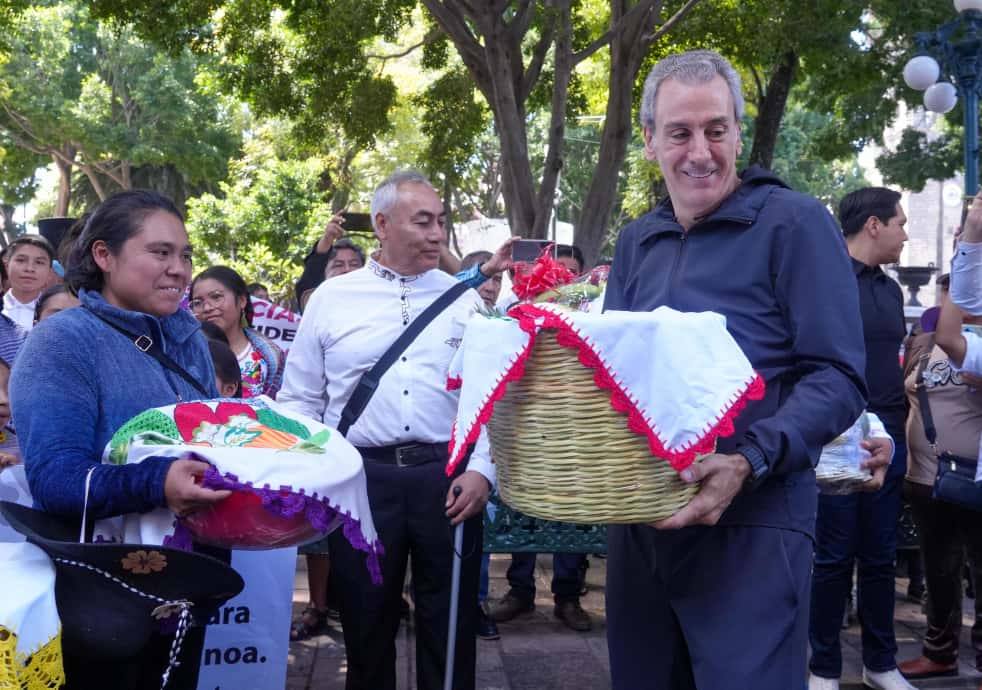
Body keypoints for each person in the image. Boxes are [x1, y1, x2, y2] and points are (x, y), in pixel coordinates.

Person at [602, 49, 867, 690]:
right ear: (649, 141)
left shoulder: (795, 222)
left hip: (754, 525)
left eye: (716, 130)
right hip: (643, 527)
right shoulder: (636, 240)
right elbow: (611, 375)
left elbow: (838, 375)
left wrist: (749, 460)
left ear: (739, 135)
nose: (700, 152)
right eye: (680, 133)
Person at [278, 170, 494, 690]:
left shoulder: (465, 299)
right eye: (423, 222)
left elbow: (491, 395)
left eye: (440, 221)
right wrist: (317, 477)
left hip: (449, 481)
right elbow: (300, 400)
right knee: (366, 622)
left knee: (451, 626)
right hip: (361, 483)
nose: (437, 234)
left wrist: (483, 470)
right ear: (382, 225)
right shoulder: (331, 298)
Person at [9, 189, 231, 689]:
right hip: (101, 599)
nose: (179, 269)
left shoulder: (189, 338)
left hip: (187, 585)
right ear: (104, 256)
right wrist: (158, 482)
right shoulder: (61, 341)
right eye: (160, 252)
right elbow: (56, 480)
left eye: (185, 255)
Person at [808, 187, 913, 690]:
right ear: (874, 224)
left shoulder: (892, 291)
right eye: (900, 223)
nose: (905, 234)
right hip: (839, 435)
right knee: (832, 557)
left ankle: (881, 664)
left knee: (880, 557)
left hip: (890, 438)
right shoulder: (824, 282)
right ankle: (823, 667)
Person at [896, 291, 982, 686]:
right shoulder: (922, 342)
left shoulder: (974, 349)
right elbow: (906, 397)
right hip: (925, 479)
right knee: (939, 571)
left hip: (974, 481)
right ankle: (939, 653)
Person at [189, 265, 286, 399]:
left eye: (216, 297)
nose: (207, 308)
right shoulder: (183, 353)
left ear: (242, 300)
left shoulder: (270, 357)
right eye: (198, 302)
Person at [2, 235, 55, 331]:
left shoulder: (57, 312)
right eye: (21, 260)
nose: (29, 269)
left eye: (39, 262)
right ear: (6, 266)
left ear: (50, 273)